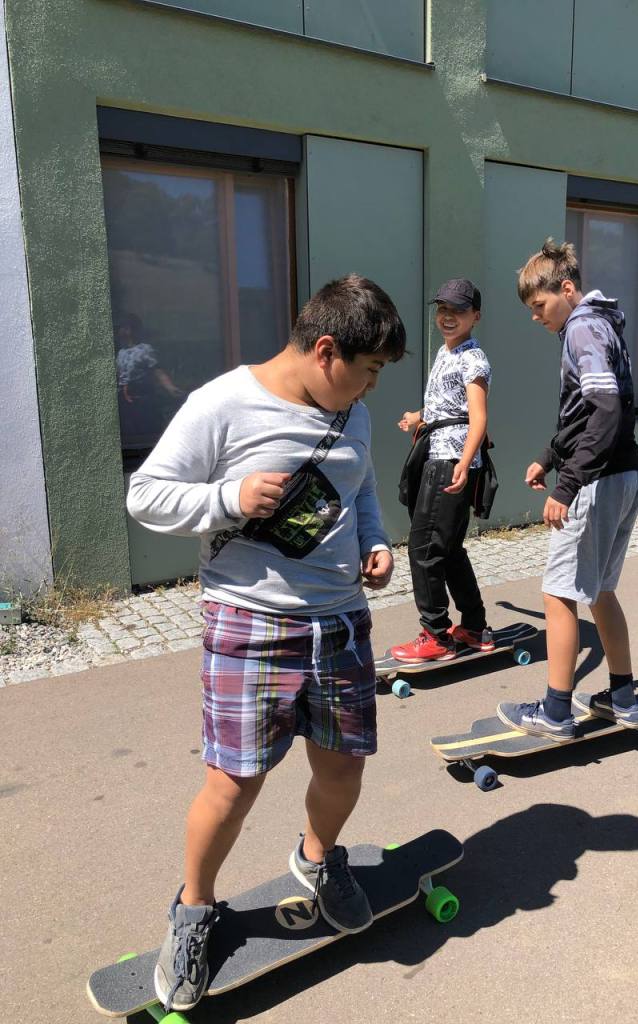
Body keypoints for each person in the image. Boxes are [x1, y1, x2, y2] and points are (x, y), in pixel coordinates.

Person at [126, 274, 405, 1013]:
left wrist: (376, 542)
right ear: (325, 350)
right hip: (249, 625)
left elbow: (361, 489)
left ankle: (317, 859)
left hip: (340, 623)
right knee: (232, 785)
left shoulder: (352, 413)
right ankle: (194, 909)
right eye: (369, 369)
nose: (372, 388)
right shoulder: (221, 403)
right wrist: (229, 497)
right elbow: (145, 495)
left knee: (343, 767)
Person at [497, 239, 638, 741]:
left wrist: (566, 484)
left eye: (539, 305)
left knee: (559, 592)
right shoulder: (602, 323)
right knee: (600, 590)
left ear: (566, 289)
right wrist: (549, 455)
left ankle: (556, 712)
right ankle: (623, 697)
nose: (535, 316)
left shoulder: (582, 327)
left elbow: (605, 411)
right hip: (626, 472)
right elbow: (587, 412)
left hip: (598, 480)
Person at [391, 278, 493, 663]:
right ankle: (474, 627)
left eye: (458, 311)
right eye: (443, 309)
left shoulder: (472, 359)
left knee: (424, 547)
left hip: (450, 460)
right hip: (439, 452)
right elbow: (449, 407)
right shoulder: (445, 351)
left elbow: (478, 417)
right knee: (448, 549)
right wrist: (419, 416)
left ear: (475, 316)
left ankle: (435, 634)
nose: (448, 317)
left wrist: (464, 463)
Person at [114, 313, 184, 444]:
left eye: (123, 327)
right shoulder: (121, 352)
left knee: (145, 426)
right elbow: (120, 374)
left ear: (130, 329)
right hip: (124, 399)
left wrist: (170, 387)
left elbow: (157, 370)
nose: (119, 331)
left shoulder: (144, 350)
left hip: (141, 397)